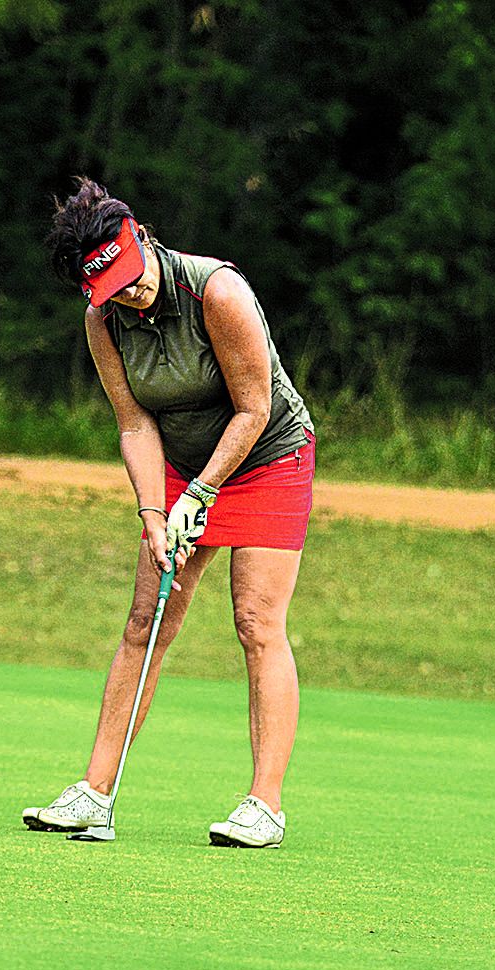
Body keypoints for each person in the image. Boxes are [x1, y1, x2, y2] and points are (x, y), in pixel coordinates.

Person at [20, 178, 317, 848]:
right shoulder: (103, 321)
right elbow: (134, 424)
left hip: (266, 457)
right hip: (180, 460)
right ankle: (94, 794)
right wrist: (155, 513)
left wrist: (200, 496)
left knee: (256, 621)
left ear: (143, 239)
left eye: (131, 276)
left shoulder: (217, 291)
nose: (129, 293)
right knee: (146, 619)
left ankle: (263, 805)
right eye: (111, 288)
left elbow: (253, 409)